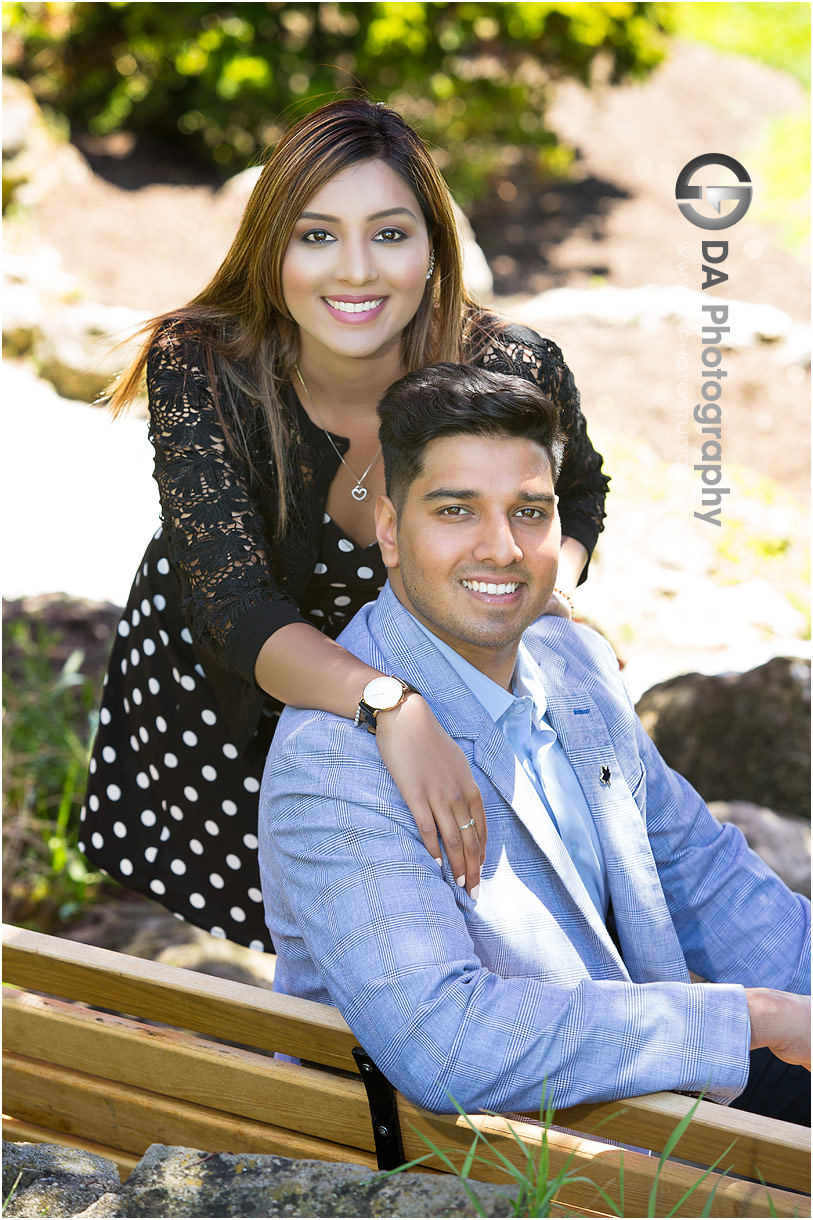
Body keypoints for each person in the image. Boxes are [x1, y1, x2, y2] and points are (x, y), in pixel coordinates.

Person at [79, 98, 609, 952]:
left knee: (406, 954)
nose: (355, 271)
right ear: (270, 247)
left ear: (434, 245)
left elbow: (577, 493)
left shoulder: (509, 366)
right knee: (245, 972)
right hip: (225, 694)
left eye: (390, 234)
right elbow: (237, 609)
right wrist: (389, 706)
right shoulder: (206, 365)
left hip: (423, 698)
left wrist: (550, 589)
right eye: (317, 235)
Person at [258, 362, 810, 1123]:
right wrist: (750, 1017)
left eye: (528, 511)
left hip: (635, 1103)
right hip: (494, 1162)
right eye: (455, 511)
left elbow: (702, 874)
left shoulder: (570, 661)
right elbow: (446, 1043)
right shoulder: (332, 762)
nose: (501, 548)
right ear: (389, 529)